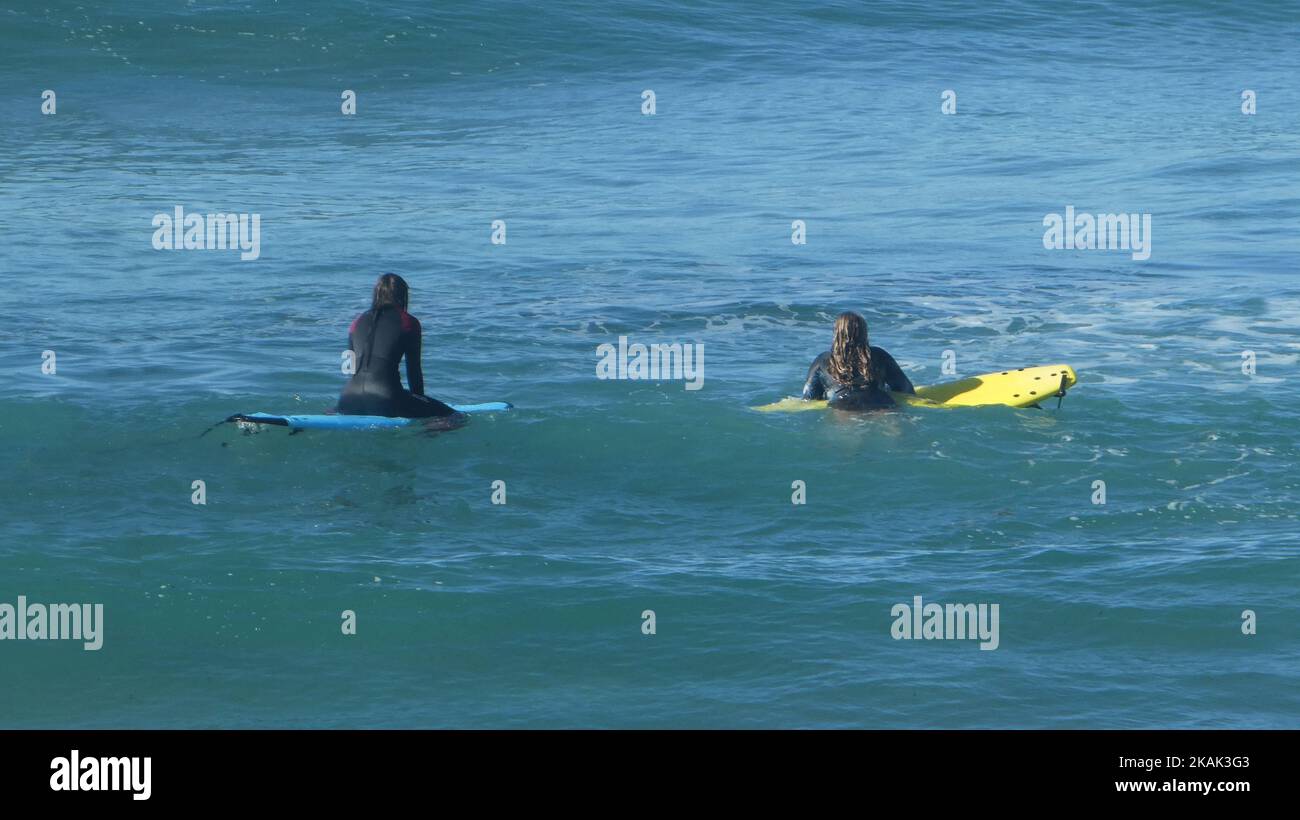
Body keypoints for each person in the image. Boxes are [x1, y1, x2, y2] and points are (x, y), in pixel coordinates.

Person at [337, 274, 464, 423]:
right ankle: (424, 437)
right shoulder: (409, 323)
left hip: (348, 398)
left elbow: (350, 369)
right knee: (457, 417)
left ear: (376, 294)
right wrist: (421, 404)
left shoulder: (356, 322)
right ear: (403, 295)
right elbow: (414, 371)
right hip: (386, 400)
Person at [801, 311, 915, 410]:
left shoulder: (822, 360)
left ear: (836, 333)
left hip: (842, 404)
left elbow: (809, 397)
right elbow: (906, 389)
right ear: (864, 332)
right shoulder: (879, 355)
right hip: (881, 401)